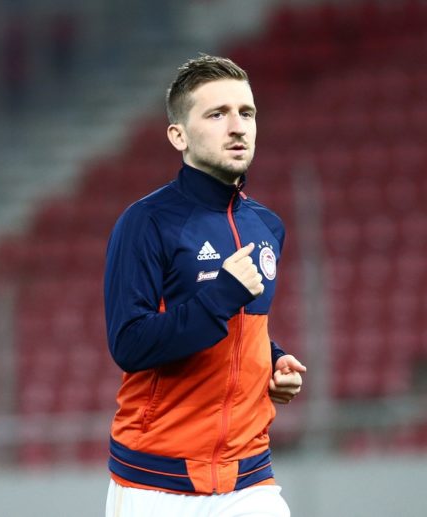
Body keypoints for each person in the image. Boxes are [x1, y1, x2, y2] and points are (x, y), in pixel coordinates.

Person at [103, 54, 306, 516]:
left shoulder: (267, 226)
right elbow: (129, 343)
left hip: (249, 476)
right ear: (179, 135)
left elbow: (243, 328)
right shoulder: (145, 222)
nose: (237, 127)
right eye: (217, 114)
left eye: (246, 113)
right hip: (155, 482)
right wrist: (222, 295)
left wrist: (273, 360)